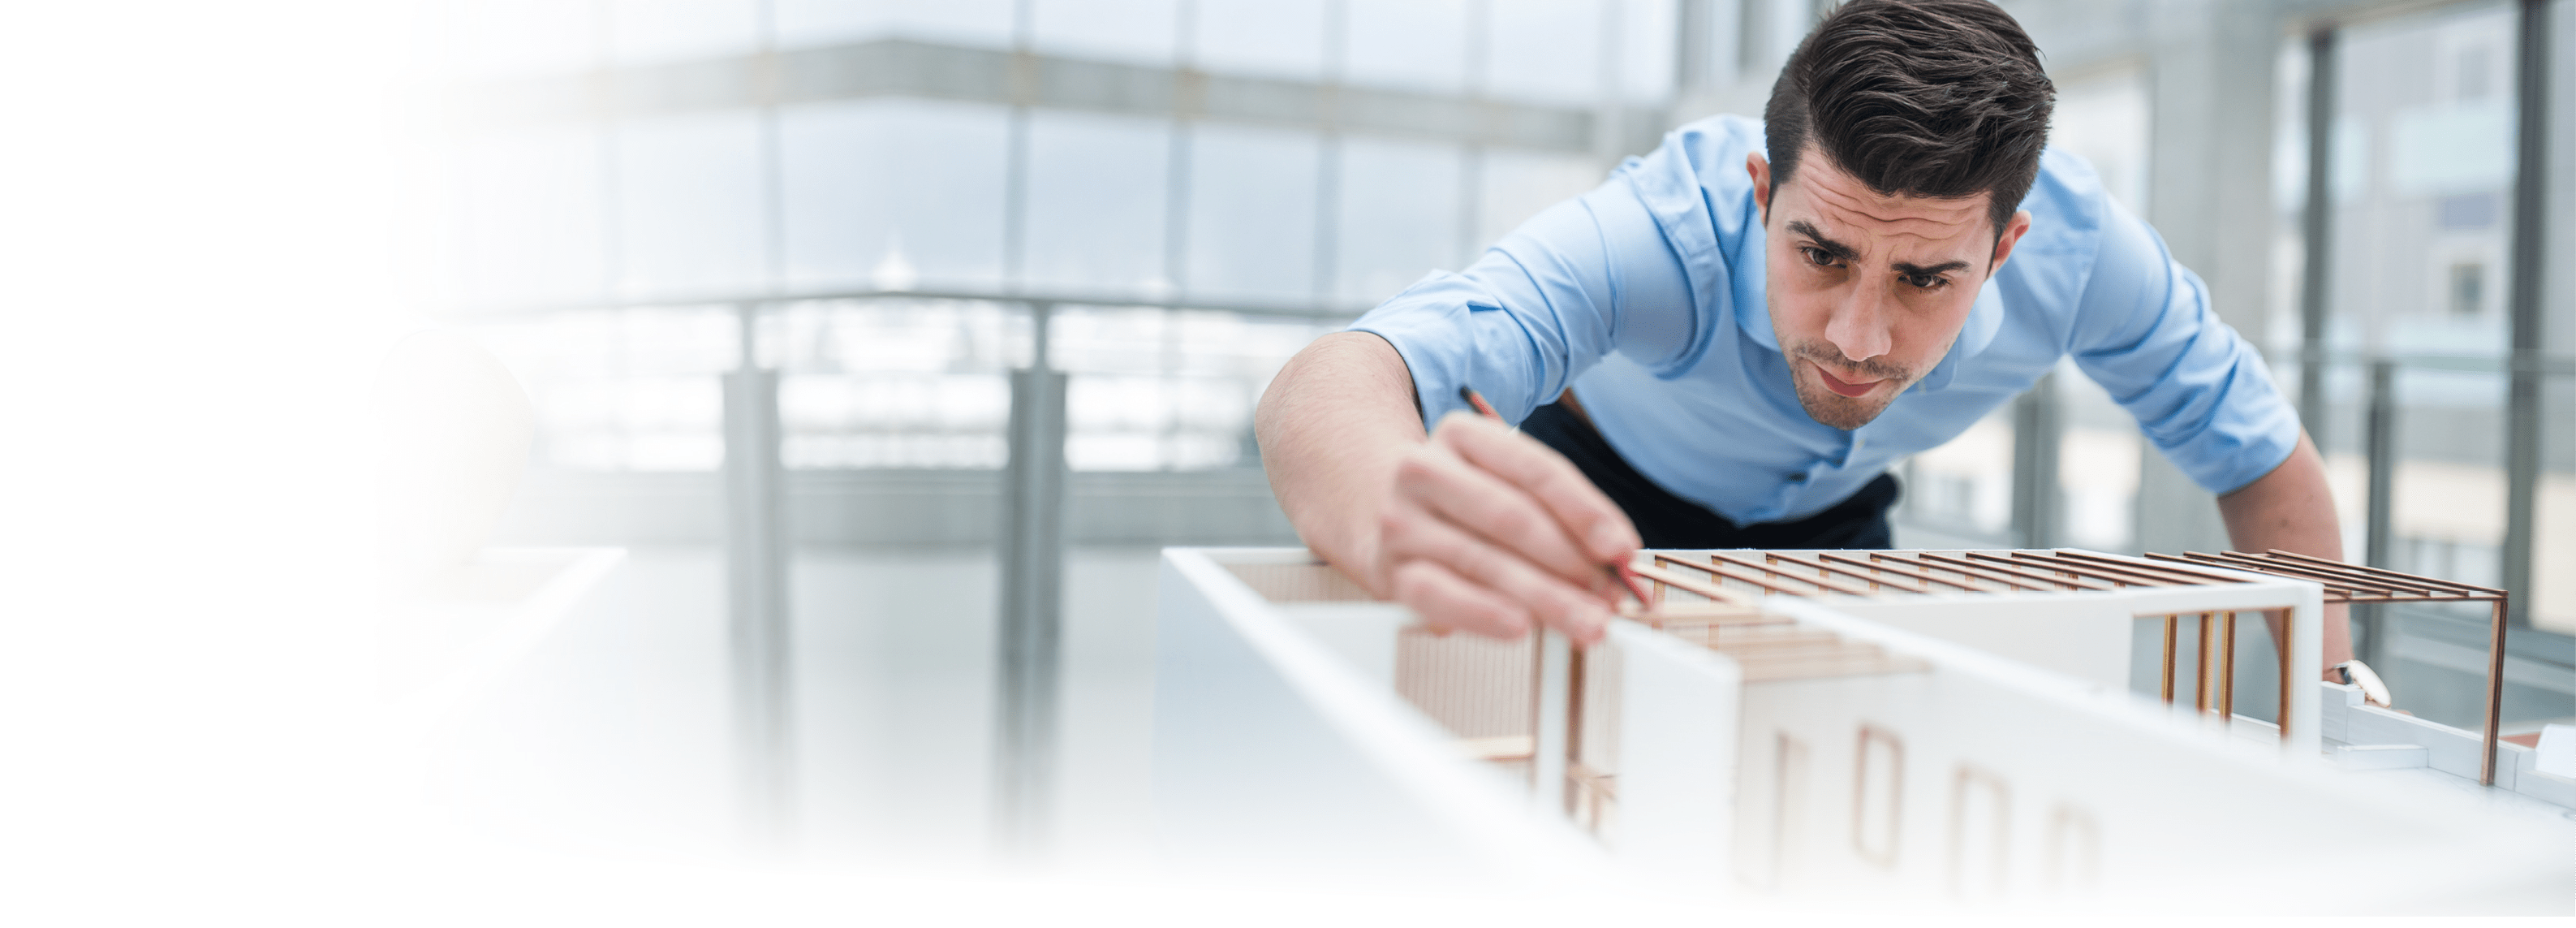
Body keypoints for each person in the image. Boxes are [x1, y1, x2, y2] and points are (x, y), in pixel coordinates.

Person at [1253, 0, 2354, 679]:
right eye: (1820, 253)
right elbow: (1335, 382)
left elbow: (2255, 455)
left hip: (1834, 527)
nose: (1857, 336)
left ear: (2008, 245)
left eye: (1925, 277)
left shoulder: (2089, 254)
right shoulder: (1653, 232)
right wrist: (1385, 499)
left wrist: (2329, 711)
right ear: (1758, 193)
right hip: (1587, 493)